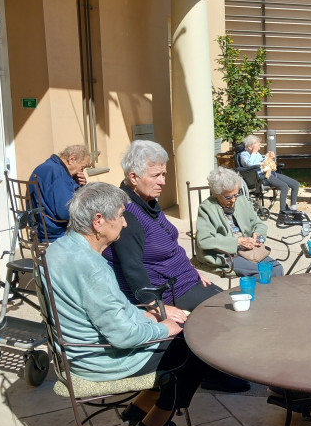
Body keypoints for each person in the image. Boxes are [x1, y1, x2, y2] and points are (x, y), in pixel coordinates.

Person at [45, 182, 206, 426]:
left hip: (73, 351)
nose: (124, 223)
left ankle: (139, 408)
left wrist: (144, 314)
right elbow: (122, 336)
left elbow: (108, 309)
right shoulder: (92, 267)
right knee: (194, 351)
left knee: (180, 338)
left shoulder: (60, 248)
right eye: (119, 216)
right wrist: (160, 328)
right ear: (98, 221)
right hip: (96, 359)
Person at [103, 140, 248, 393]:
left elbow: (170, 245)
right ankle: (210, 371)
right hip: (166, 291)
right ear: (133, 177)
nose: (163, 181)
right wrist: (159, 308)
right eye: (156, 175)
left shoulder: (148, 202)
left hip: (183, 280)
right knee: (222, 311)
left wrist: (192, 272)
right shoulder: (126, 214)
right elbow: (133, 269)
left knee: (231, 303)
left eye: (164, 174)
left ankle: (221, 365)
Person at [195, 167, 283, 277]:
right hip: (224, 254)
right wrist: (237, 242)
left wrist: (258, 234)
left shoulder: (242, 201)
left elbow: (258, 224)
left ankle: (273, 295)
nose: (233, 200)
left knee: (277, 269)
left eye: (236, 194)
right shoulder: (207, 208)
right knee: (260, 273)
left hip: (248, 250)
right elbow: (204, 240)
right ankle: (257, 294)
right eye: (228, 197)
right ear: (215, 193)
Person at [29, 144, 91, 241]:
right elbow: (66, 212)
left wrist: (77, 184)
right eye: (82, 167)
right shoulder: (59, 174)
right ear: (72, 159)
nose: (81, 171)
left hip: (39, 227)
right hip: (53, 231)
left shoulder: (47, 166)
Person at [239, 134, 300, 212]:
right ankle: (283, 211)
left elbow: (265, 161)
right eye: (258, 146)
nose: (259, 148)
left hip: (270, 173)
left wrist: (271, 158)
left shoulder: (257, 154)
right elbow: (249, 164)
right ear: (250, 146)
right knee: (284, 187)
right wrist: (254, 152)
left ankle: (293, 208)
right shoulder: (244, 154)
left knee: (295, 184)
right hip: (261, 176)